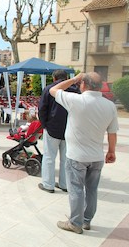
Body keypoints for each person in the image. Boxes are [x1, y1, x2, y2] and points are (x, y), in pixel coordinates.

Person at [49, 72, 118, 234]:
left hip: (77, 156)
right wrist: (111, 151)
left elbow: (54, 90)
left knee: (76, 189)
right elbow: (112, 133)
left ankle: (75, 222)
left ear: (83, 84)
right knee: (92, 190)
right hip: (96, 156)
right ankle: (86, 220)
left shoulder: (76, 100)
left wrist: (73, 79)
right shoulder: (110, 106)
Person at [38, 70, 80, 193]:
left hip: (52, 128)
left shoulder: (49, 89)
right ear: (67, 78)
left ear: (54, 78)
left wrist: (45, 124)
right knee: (67, 159)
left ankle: (48, 184)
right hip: (70, 129)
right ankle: (64, 184)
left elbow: (42, 109)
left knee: (49, 157)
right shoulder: (76, 90)